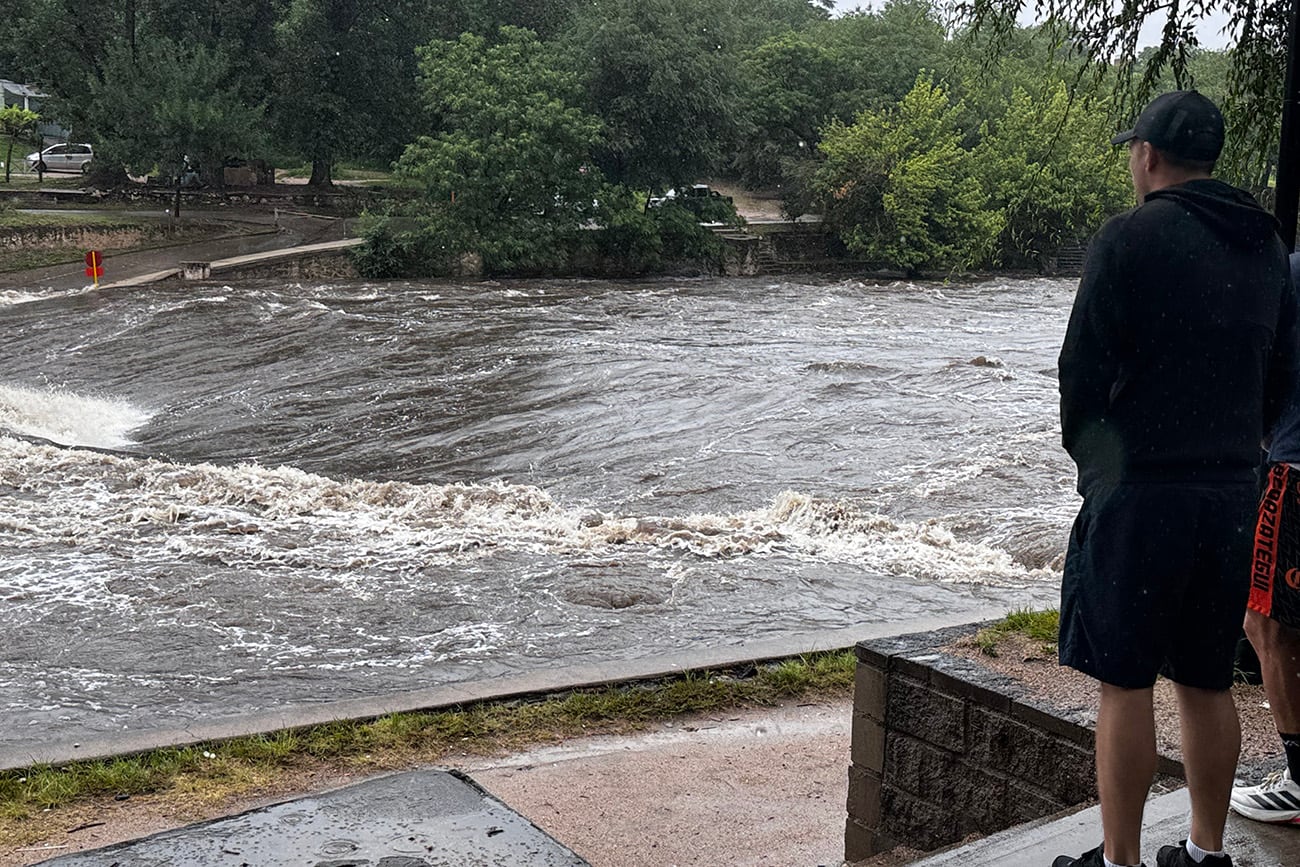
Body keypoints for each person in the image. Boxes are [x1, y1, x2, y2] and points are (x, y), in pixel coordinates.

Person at [1053, 90, 1296, 867]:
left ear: (1148, 156)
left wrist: (1097, 472)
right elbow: (1282, 375)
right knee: (1204, 677)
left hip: (1143, 491)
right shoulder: (1264, 245)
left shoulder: (1128, 237)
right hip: (1231, 491)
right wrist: (1237, 451)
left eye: (1133, 152)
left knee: (1124, 680)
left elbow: (1080, 373)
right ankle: (1205, 850)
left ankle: (1120, 858)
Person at [1229, 251, 1300, 826]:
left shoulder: (1289, 274)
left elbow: (1250, 362)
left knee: (1267, 623)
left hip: (1294, 470)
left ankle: (1299, 781)